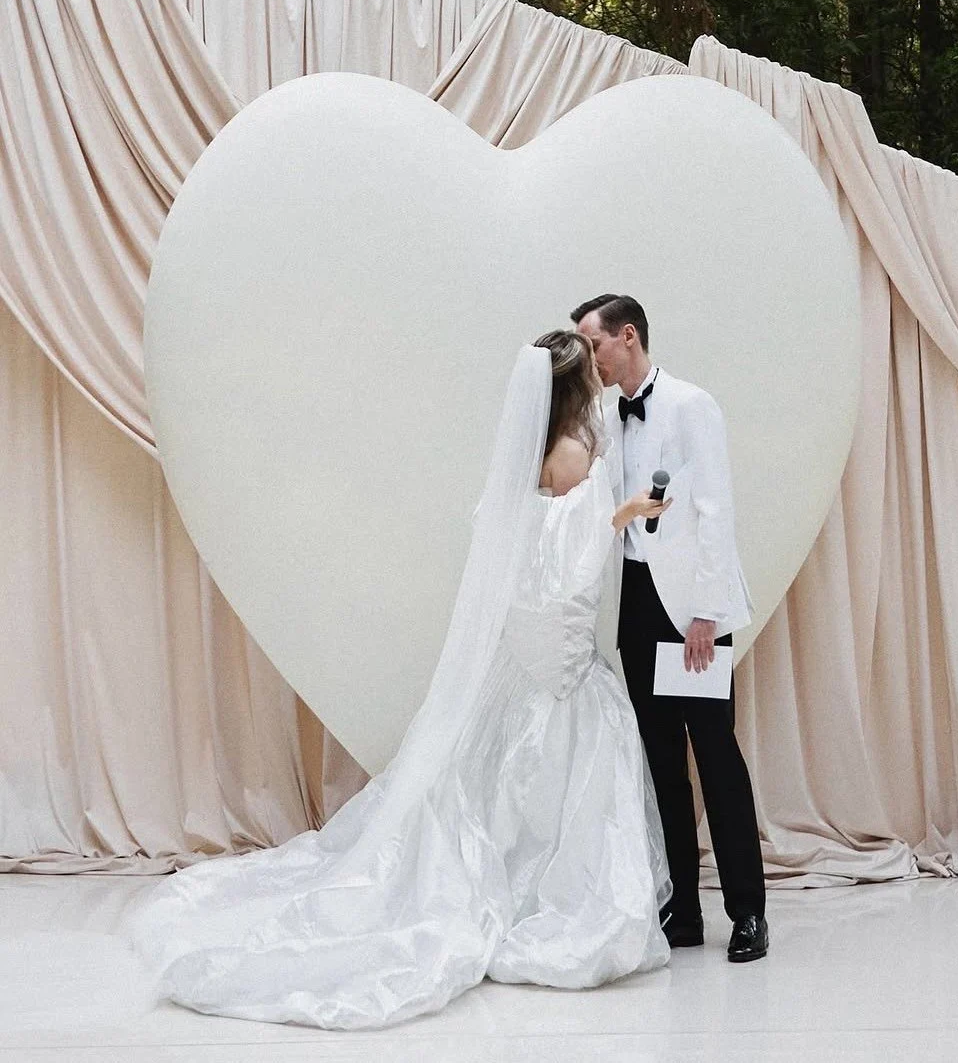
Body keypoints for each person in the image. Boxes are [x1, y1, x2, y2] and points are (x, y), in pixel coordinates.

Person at [122, 333, 673, 1031]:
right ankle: (549, 901)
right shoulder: (572, 456)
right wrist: (618, 513)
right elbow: (571, 565)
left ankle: (520, 884)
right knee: (557, 787)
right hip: (558, 661)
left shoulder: (532, 455)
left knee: (494, 787)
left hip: (528, 654)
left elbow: (523, 556)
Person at [571, 295, 768, 962]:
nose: (588, 358)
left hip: (693, 609)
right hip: (638, 610)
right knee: (660, 764)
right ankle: (682, 909)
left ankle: (748, 914)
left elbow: (714, 511)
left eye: (592, 344)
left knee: (715, 755)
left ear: (627, 337)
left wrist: (707, 615)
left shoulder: (690, 405)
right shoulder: (604, 416)